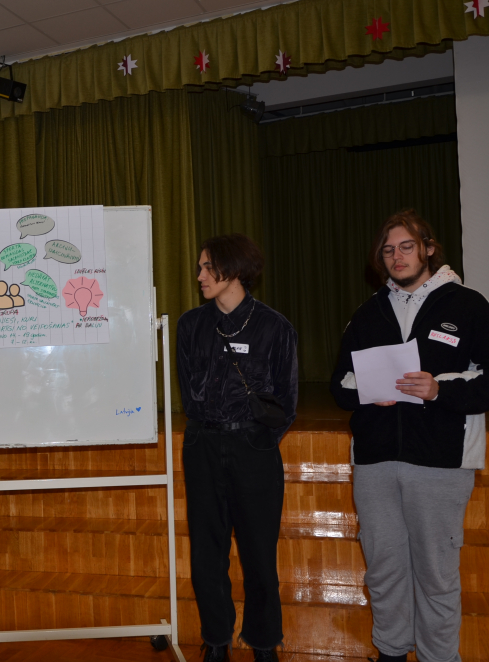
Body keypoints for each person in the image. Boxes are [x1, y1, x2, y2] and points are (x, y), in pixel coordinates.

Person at [330, 210, 489, 662]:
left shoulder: (468, 305)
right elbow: (339, 386)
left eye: (407, 247)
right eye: (388, 250)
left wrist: (439, 390)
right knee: (384, 569)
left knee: (436, 574)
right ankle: (391, 651)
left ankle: (439, 657)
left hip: (441, 461)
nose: (397, 256)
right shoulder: (367, 313)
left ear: (429, 249)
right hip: (374, 461)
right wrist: (367, 393)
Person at [176, 234, 298, 662]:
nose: (200, 275)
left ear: (235, 270)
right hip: (203, 447)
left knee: (259, 554)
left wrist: (255, 440)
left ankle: (264, 643)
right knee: (206, 555)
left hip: (253, 450)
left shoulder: (275, 327)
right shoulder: (191, 325)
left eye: (208, 267)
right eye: (200, 267)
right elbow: (188, 397)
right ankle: (216, 640)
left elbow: (286, 402)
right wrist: (210, 432)